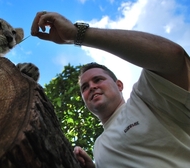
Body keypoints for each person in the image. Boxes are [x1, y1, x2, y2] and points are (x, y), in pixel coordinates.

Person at [31, 11, 190, 168]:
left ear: (119, 85)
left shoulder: (145, 99)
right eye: (85, 87)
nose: (92, 87)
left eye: (98, 79)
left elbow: (173, 56)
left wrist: (77, 34)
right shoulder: (98, 146)